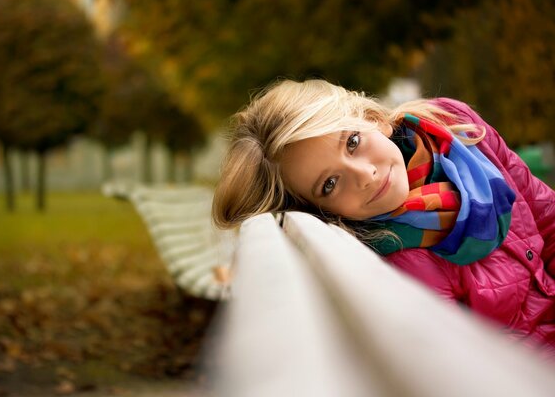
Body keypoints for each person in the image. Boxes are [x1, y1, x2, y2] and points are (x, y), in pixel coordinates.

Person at [212, 78, 555, 357]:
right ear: (321, 209)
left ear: (372, 118)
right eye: (329, 184)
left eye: (353, 142)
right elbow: (466, 365)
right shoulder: (401, 261)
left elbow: (547, 216)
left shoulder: (453, 127)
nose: (365, 175)